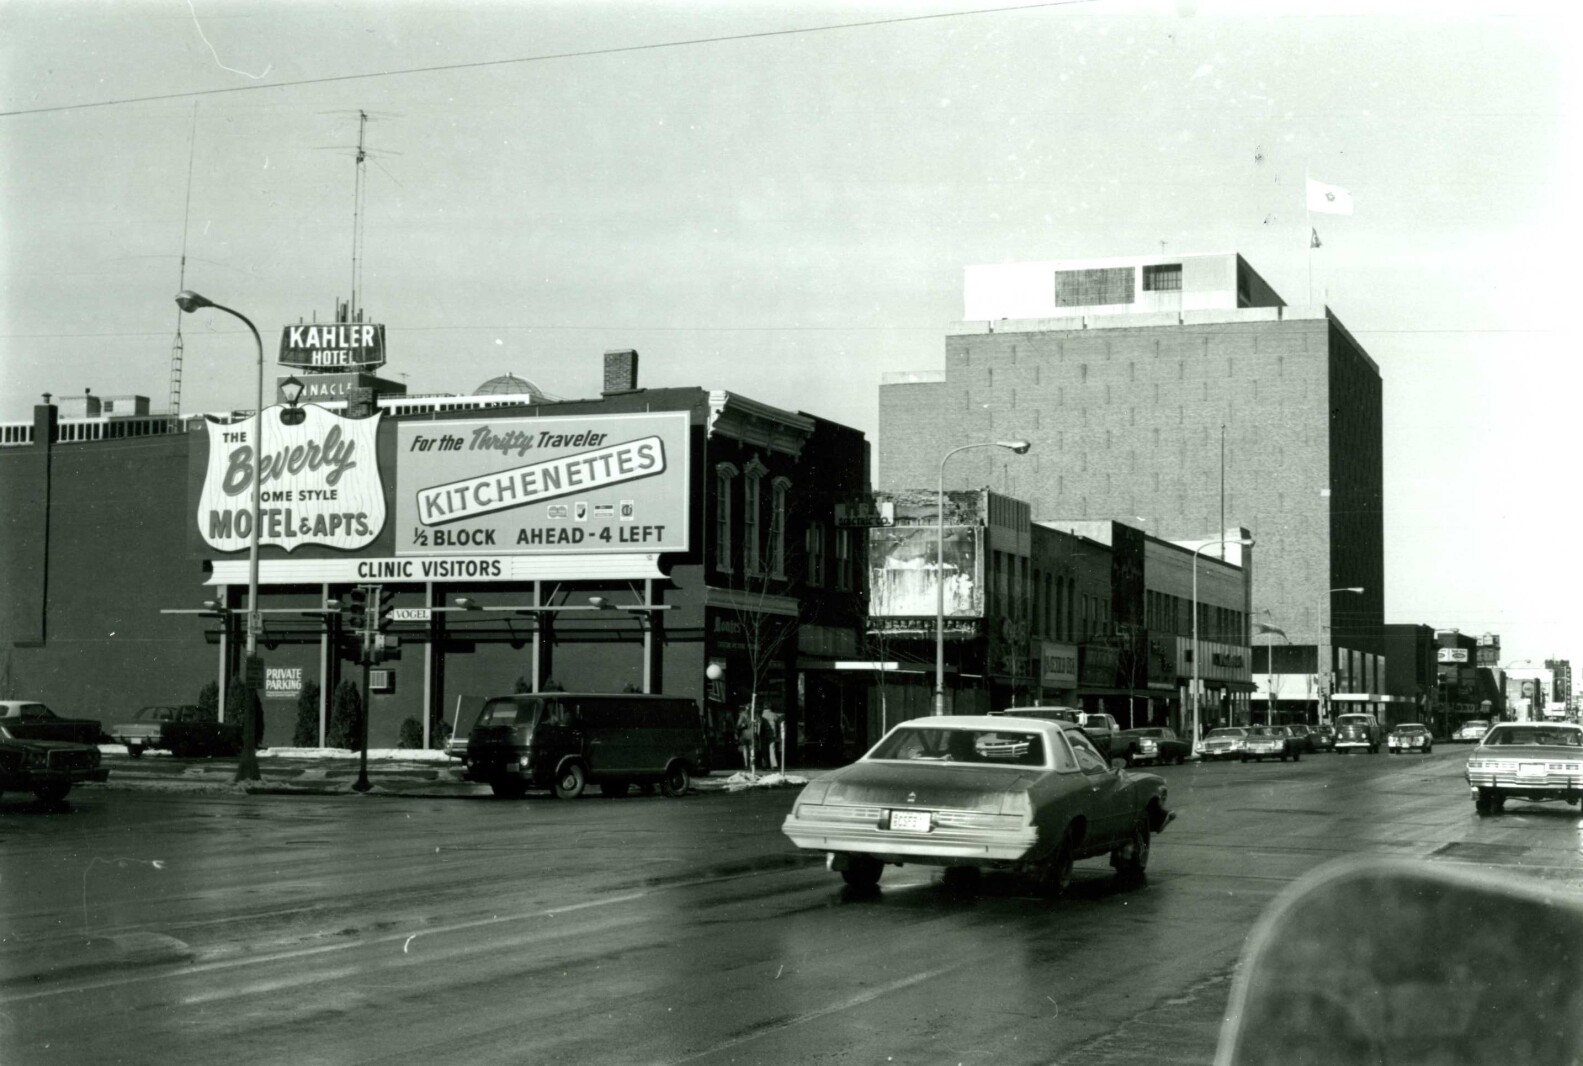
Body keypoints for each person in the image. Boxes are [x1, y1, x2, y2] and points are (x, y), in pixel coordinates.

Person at [760, 707, 783, 771]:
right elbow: (779, 723)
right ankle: (774, 764)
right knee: (772, 749)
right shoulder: (774, 714)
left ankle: (764, 764)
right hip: (773, 734)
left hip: (763, 734)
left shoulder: (762, 715)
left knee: (764, 749)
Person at [736, 707, 757, 771]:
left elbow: (738, 725)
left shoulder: (743, 714)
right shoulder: (754, 714)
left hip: (745, 733)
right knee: (752, 749)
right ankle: (751, 764)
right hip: (752, 734)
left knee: (745, 749)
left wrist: (740, 727)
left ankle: (746, 764)